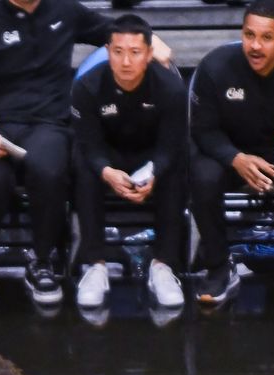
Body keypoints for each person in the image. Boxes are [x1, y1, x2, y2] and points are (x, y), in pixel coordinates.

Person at [0, 0, 115, 305]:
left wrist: (152, 41)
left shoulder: (65, 11)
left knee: (49, 168)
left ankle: (42, 259)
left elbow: (114, 32)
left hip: (48, 122)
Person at [190, 0, 274, 306]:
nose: (255, 45)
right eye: (249, 35)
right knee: (201, 171)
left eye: (266, 38)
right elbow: (202, 131)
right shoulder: (215, 67)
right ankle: (217, 266)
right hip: (234, 156)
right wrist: (235, 158)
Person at [71, 14, 186, 312]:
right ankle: (94, 264)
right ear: (108, 51)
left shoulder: (171, 88)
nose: (125, 61)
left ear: (149, 54)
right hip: (108, 157)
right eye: (118, 52)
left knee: (180, 166)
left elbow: (171, 145)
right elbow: (89, 143)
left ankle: (163, 266)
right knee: (82, 165)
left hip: (151, 156)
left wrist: (155, 172)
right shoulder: (87, 87)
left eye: (134, 52)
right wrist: (106, 171)